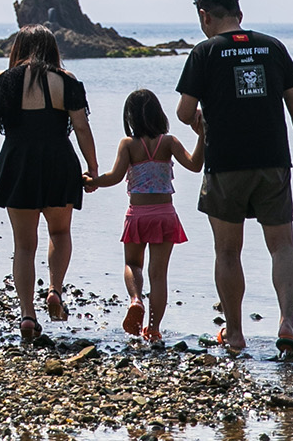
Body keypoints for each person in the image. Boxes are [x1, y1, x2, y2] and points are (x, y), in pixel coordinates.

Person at [175, 0, 293, 360]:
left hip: (226, 165)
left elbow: (184, 112)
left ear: (205, 16)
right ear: (238, 11)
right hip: (273, 160)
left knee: (227, 251)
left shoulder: (204, 52)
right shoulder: (272, 47)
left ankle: (236, 333)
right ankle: (287, 323)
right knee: (283, 246)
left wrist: (202, 124)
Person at [0, 26, 99, 341]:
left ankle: (28, 315)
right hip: (59, 162)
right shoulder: (66, 80)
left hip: (17, 164)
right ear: (52, 49)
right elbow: (82, 128)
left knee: (24, 245)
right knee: (59, 232)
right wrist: (93, 167)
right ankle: (55, 290)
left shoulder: (3, 80)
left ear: (18, 48)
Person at [85, 89, 205, 343]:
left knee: (133, 264)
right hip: (165, 215)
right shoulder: (169, 142)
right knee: (159, 274)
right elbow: (195, 165)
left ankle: (135, 299)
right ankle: (153, 329)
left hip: (137, 215)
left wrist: (93, 181)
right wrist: (203, 134)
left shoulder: (128, 144)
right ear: (158, 114)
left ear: (130, 118)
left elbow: (115, 177)